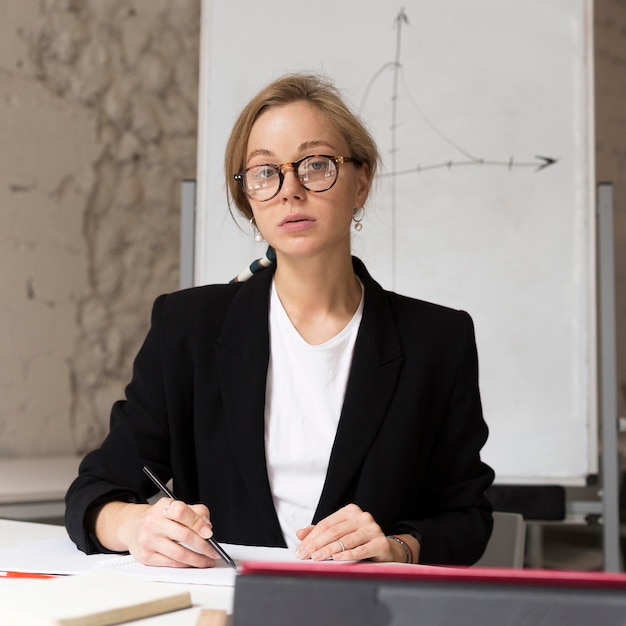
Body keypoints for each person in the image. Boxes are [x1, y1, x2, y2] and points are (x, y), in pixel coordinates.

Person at [65, 72, 494, 568]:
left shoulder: (437, 340)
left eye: (315, 165)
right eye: (265, 172)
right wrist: (137, 525)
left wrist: (398, 547)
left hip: (368, 609)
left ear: (361, 181)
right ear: (249, 197)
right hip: (227, 607)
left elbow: (467, 516)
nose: (290, 190)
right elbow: (92, 493)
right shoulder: (188, 328)